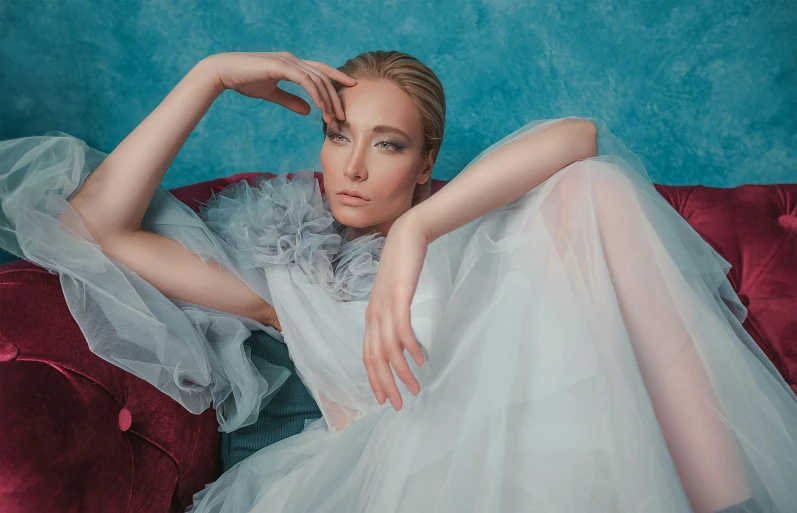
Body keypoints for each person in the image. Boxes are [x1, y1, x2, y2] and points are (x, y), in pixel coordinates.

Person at [0, 50, 796, 513]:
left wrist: (416, 232)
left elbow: (579, 140)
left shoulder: (474, 238)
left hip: (542, 440)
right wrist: (207, 76)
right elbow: (89, 228)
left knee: (593, 189)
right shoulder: (281, 268)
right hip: (400, 480)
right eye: (339, 135)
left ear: (425, 165)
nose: (350, 166)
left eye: (386, 145)